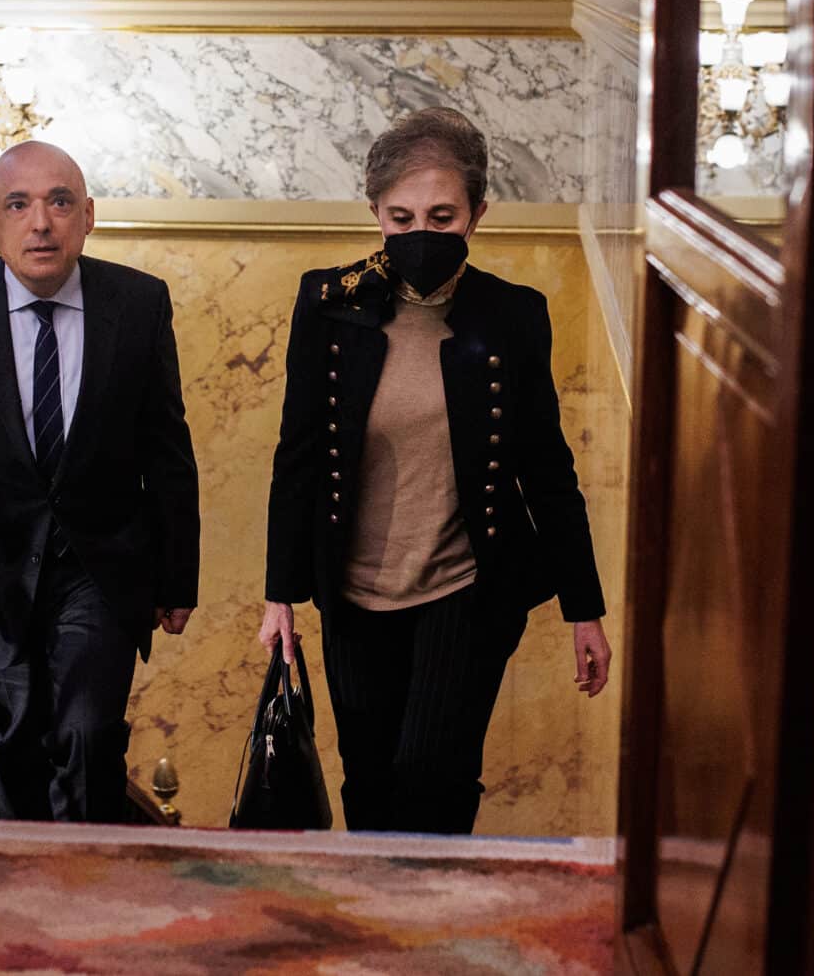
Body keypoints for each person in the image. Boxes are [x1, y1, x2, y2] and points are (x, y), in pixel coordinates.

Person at [258, 107, 611, 835]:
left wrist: (585, 608)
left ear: (478, 213)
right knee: (369, 777)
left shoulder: (512, 315)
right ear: (375, 213)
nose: (421, 232)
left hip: (467, 586)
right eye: (402, 215)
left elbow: (547, 466)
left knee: (432, 773)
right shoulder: (329, 304)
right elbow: (298, 453)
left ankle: (433, 928)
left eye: (442, 215)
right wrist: (278, 596)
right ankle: (378, 930)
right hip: (353, 592)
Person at [0, 140, 200, 823]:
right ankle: (25, 889)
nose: (41, 222)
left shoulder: (139, 305)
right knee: (16, 741)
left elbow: (166, 447)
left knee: (85, 733)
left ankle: (81, 897)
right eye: (18, 204)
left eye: (58, 201)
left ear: (88, 216)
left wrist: (177, 577)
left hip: (100, 570)